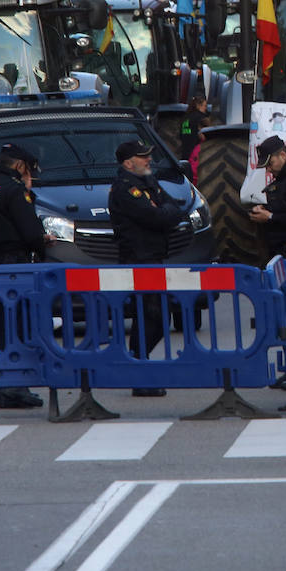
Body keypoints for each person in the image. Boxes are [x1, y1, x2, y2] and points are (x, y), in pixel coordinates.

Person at [0, 143, 50, 410]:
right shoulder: (14, 190)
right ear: (19, 166)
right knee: (16, 325)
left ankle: (0, 385)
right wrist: (43, 242)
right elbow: (30, 232)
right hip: (14, 263)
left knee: (3, 324)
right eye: (28, 170)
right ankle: (12, 386)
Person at [109, 138, 186, 397]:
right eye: (143, 157)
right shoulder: (125, 188)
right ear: (128, 163)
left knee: (159, 315)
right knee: (151, 315)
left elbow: (177, 209)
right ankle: (137, 370)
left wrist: (163, 212)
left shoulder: (147, 182)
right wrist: (162, 212)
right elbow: (154, 217)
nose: (149, 160)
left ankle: (136, 365)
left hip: (153, 257)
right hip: (138, 259)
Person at [177, 94, 208, 172]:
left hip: (185, 152)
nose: (205, 108)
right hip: (196, 153)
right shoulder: (201, 117)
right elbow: (202, 134)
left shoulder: (185, 118)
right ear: (198, 106)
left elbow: (180, 134)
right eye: (204, 106)